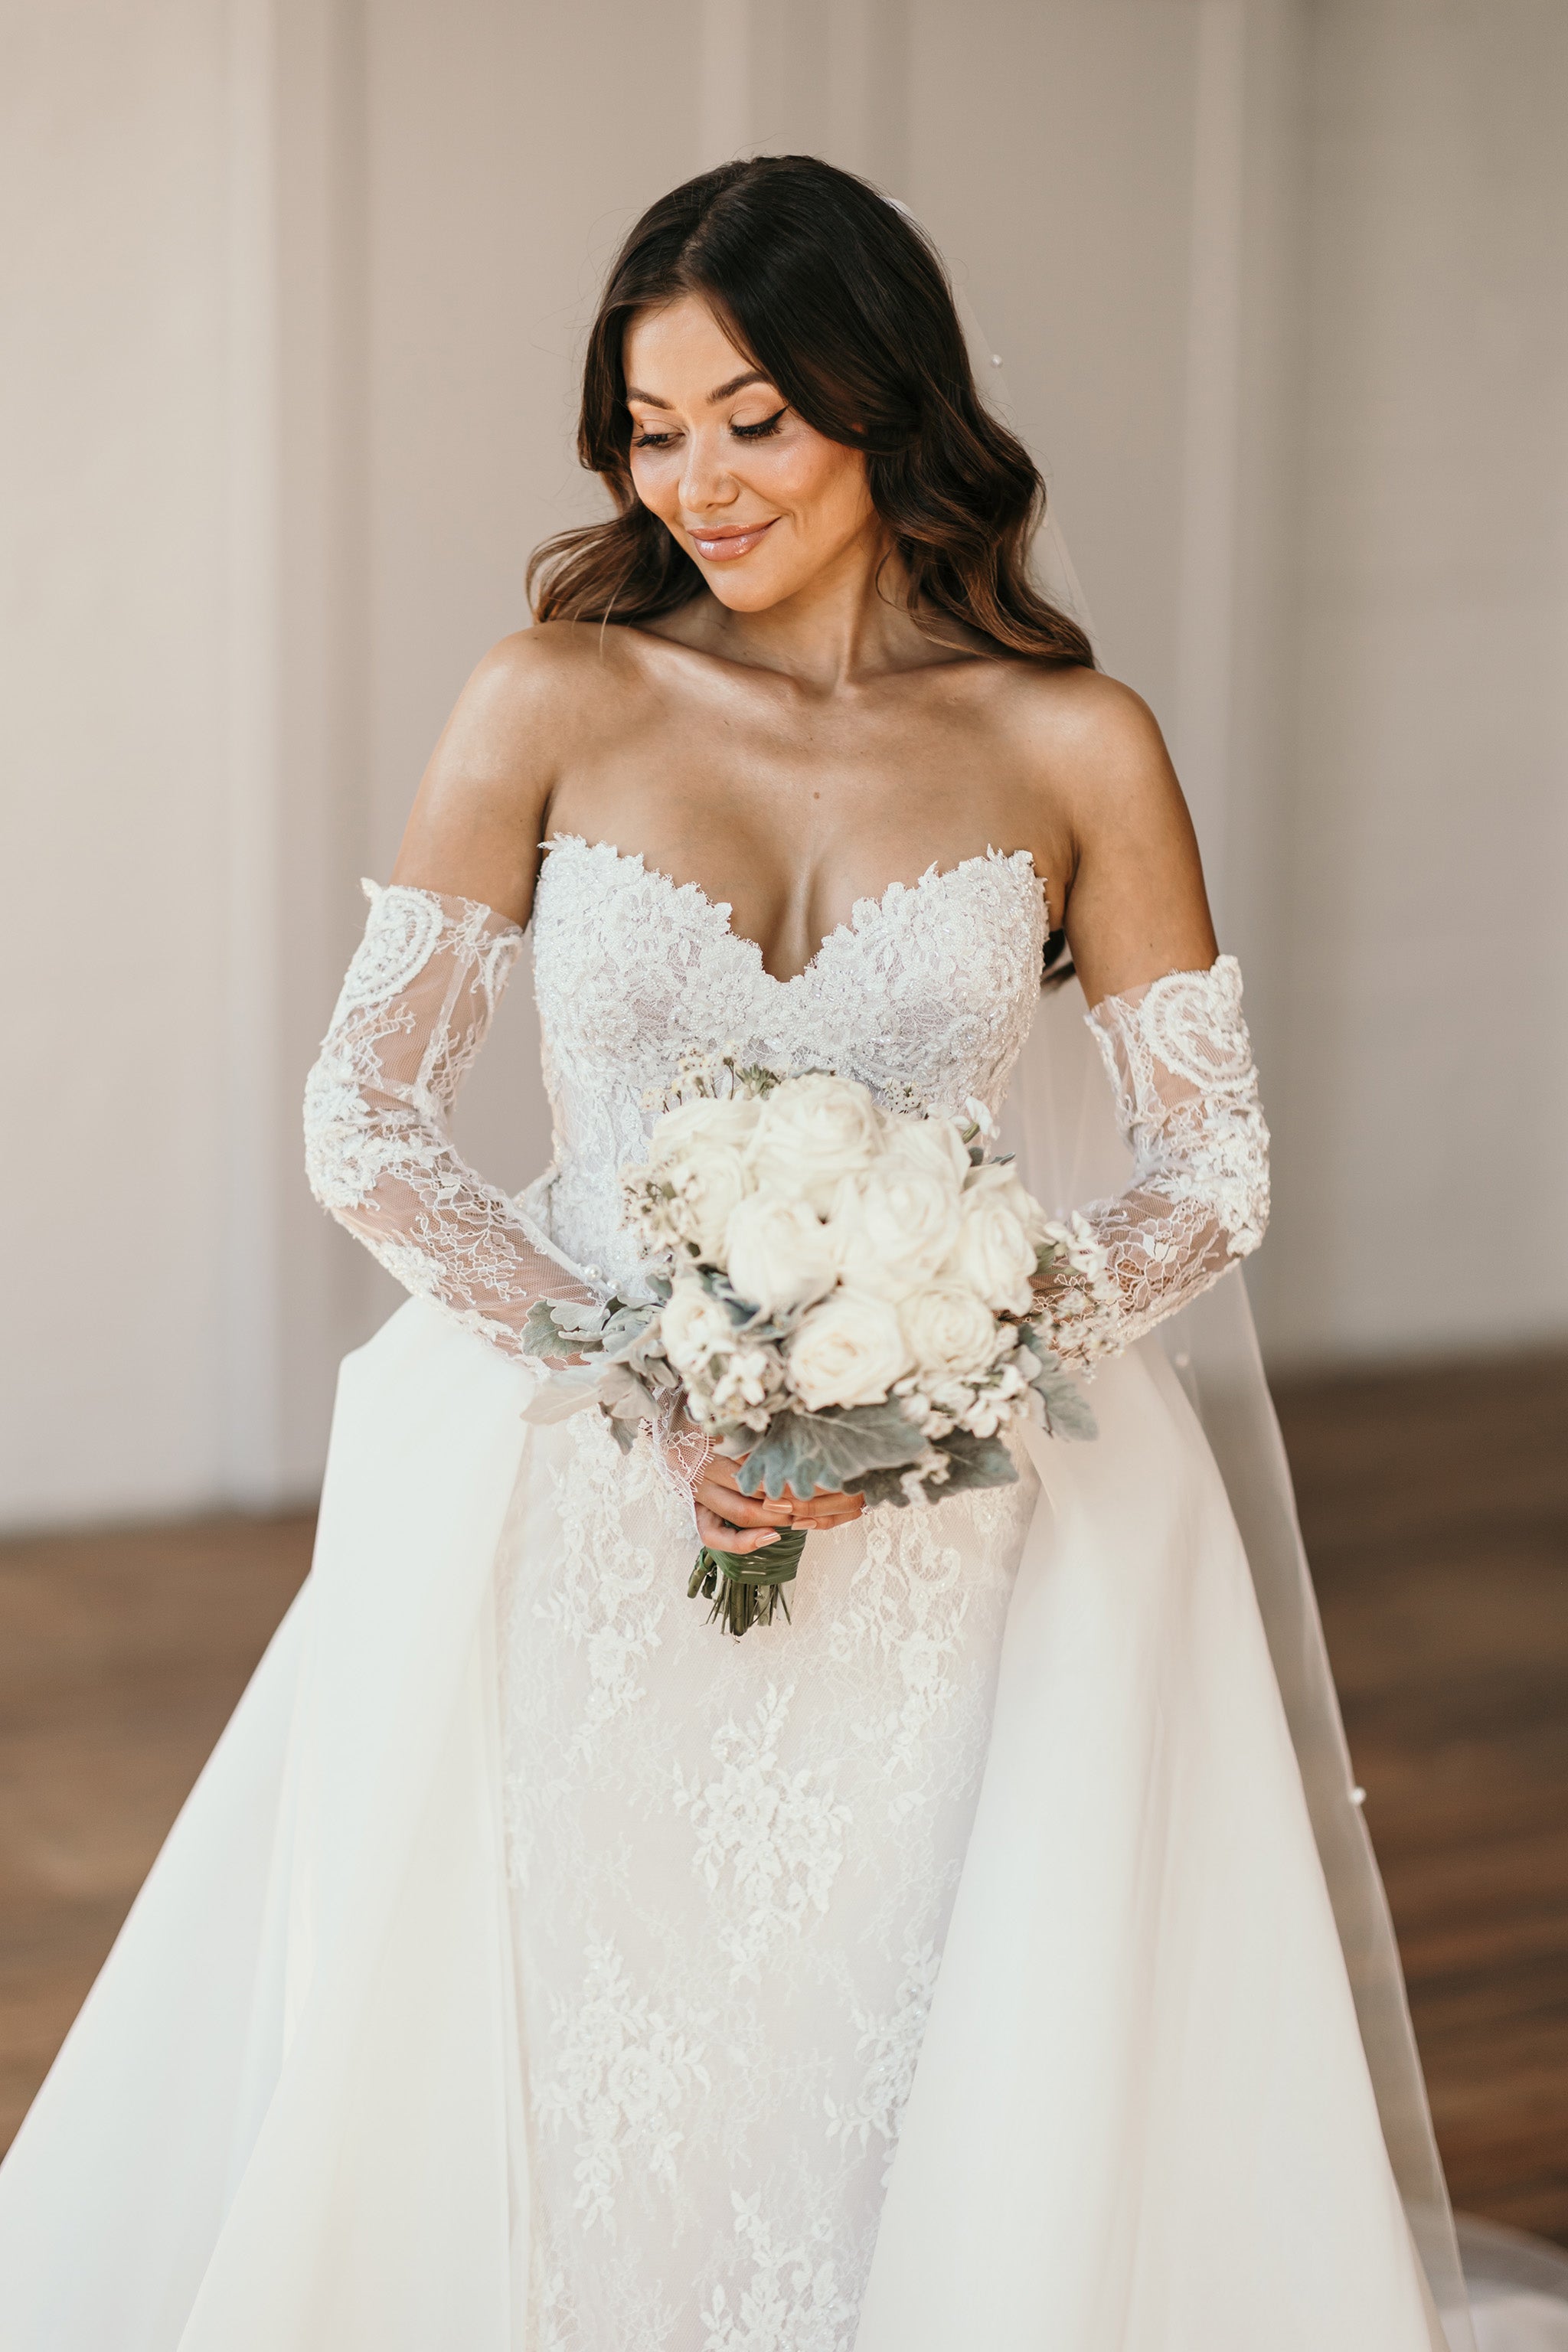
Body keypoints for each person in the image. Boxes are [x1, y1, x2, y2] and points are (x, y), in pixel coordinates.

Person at [0, 156, 1471, 2351]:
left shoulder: (1077, 744)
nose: (695, 477)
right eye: (652, 423)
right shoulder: (551, 702)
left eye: (753, 415)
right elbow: (367, 1112)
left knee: (896, 2035)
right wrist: (629, 1366)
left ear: (884, 403)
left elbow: (1207, 1165)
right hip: (577, 1499)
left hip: (958, 1531)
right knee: (567, 2039)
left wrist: (950, 1364)